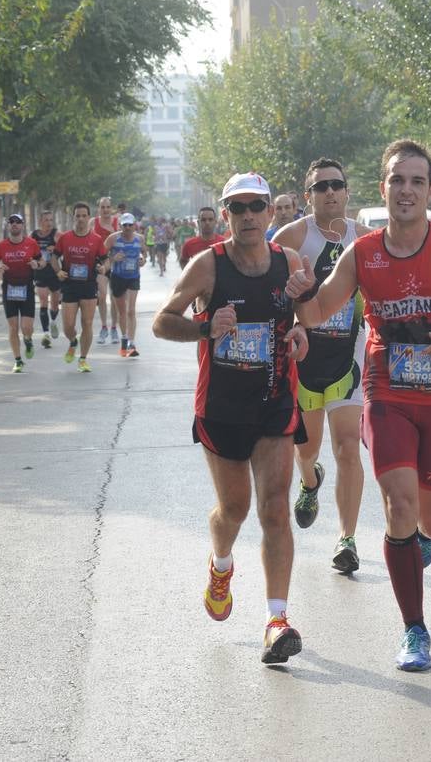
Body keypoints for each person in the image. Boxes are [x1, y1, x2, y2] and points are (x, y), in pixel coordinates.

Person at [286, 139, 431, 672]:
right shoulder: (362, 253)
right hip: (386, 393)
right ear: (383, 188)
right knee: (399, 508)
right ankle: (415, 629)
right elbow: (318, 313)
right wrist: (300, 293)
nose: (406, 189)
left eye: (416, 181)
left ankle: (430, 537)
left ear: (429, 190)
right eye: (396, 180)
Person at [152, 171, 311, 666]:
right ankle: (221, 566)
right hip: (221, 407)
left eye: (255, 206)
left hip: (274, 401)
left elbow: (302, 318)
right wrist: (204, 326)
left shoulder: (289, 263)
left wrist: (303, 330)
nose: (247, 216)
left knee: (275, 508)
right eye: (236, 208)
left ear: (270, 212)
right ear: (225, 215)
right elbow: (161, 322)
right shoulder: (209, 266)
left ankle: (277, 620)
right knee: (235, 510)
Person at [274, 158, 367, 572]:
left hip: (349, 358)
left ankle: (346, 539)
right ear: (308, 195)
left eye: (337, 185)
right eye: (321, 186)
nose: (331, 192)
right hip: (305, 362)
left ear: (347, 191)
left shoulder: (366, 240)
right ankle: (310, 483)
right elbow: (271, 294)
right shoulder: (292, 237)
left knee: (348, 448)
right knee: (307, 450)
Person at [54, 202, 108, 373]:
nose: (81, 219)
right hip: (69, 285)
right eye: (78, 216)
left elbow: (106, 259)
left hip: (88, 285)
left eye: (84, 216)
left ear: (88, 217)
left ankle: (83, 359)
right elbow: (53, 258)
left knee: (87, 323)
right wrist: (58, 272)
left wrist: (103, 268)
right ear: (74, 217)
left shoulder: (96, 240)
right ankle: (73, 341)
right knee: (68, 326)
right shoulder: (65, 238)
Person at [0, 213, 44, 373]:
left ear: (22, 225)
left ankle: (28, 340)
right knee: (13, 328)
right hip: (9, 290)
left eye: (17, 222)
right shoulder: (1, 246)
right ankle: (18, 360)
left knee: (27, 327)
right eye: (11, 222)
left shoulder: (31, 243)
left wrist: (36, 264)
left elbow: (43, 262)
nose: (14, 224)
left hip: (26, 289)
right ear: (7, 226)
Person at [104, 213, 144, 358]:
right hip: (118, 277)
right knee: (122, 312)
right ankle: (124, 337)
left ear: (135, 225)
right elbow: (102, 256)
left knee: (131, 310)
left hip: (133, 276)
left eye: (130, 225)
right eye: (124, 225)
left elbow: (143, 254)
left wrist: (142, 260)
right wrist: (113, 258)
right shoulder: (113, 239)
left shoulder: (140, 239)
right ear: (120, 226)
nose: (127, 228)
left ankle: (132, 344)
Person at [91, 197, 119, 346]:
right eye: (103, 207)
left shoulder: (117, 222)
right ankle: (103, 327)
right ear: (99, 209)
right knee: (102, 296)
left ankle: (114, 328)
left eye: (108, 207)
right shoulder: (93, 223)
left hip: (115, 263)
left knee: (114, 298)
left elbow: (124, 240)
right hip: (99, 264)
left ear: (111, 208)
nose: (106, 210)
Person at [31, 210, 61, 348]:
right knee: (43, 300)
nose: (49, 223)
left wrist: (55, 249)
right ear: (40, 222)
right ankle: (45, 334)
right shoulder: (34, 235)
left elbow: (65, 250)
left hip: (54, 271)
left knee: (54, 303)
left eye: (50, 220)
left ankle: (53, 321)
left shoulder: (56, 234)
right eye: (46, 220)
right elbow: (28, 250)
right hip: (40, 272)